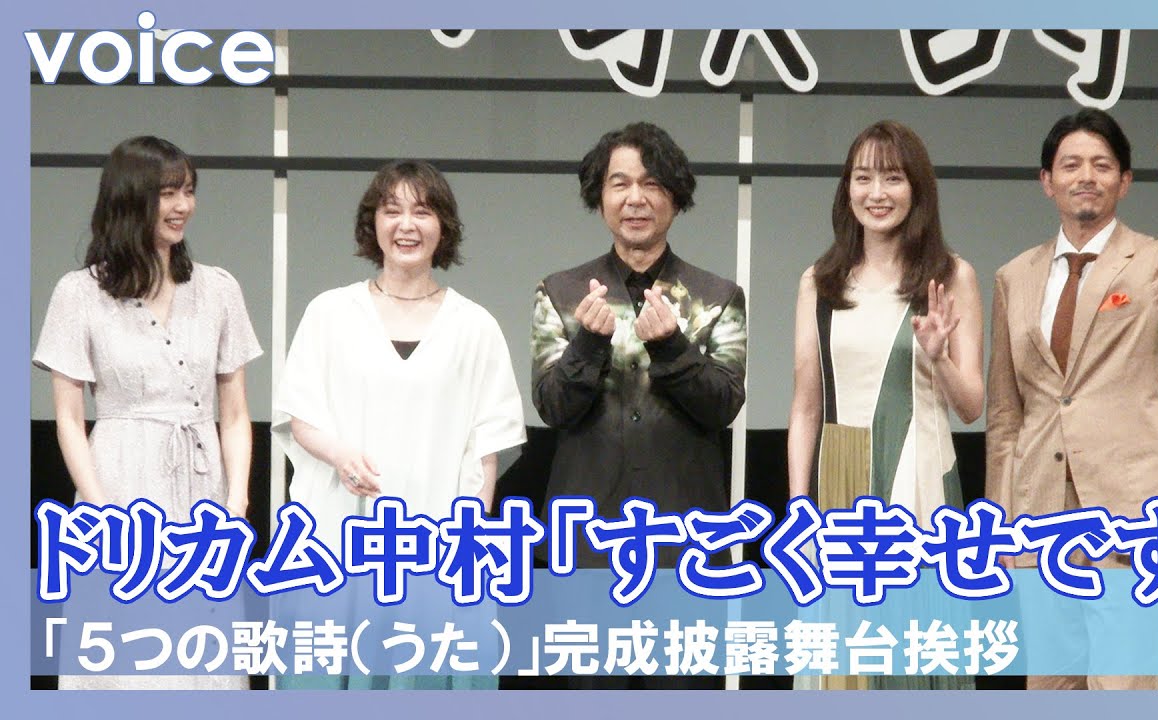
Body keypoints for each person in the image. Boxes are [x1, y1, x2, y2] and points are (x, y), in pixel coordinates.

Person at [985, 109, 1158, 689]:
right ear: (1046, 181)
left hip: (1128, 512)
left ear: (1124, 182)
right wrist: (999, 522)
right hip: (1039, 516)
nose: (1086, 176)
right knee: (1050, 689)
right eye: (1071, 165)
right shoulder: (1014, 276)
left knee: (1122, 688)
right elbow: (1005, 415)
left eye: (1102, 165)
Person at [273, 159, 525, 690]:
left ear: (443, 228)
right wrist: (340, 454)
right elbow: (301, 416)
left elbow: (489, 444)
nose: (406, 225)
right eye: (392, 211)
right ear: (373, 224)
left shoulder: (474, 326)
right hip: (342, 533)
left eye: (423, 212)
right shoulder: (330, 313)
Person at [33, 136, 262, 690]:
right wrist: (99, 509)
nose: (183, 205)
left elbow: (234, 413)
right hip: (120, 484)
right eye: (168, 193)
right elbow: (69, 419)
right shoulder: (78, 294)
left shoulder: (219, 288)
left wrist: (236, 502)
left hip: (204, 491)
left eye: (189, 191)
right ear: (130, 197)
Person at [531, 121, 747, 690]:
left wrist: (673, 346)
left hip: (685, 544)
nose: (635, 198)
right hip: (587, 541)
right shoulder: (561, 292)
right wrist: (587, 344)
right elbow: (552, 406)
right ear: (599, 196)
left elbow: (723, 404)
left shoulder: (717, 296)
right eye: (619, 183)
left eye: (652, 184)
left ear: (675, 197)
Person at [787, 120, 983, 690]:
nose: (877, 193)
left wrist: (939, 357)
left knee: (914, 648)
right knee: (841, 663)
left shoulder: (951, 276)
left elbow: (971, 405)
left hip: (918, 470)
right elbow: (805, 406)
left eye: (893, 178)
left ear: (916, 188)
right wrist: (799, 505)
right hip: (838, 475)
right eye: (863, 177)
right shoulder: (819, 281)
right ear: (846, 189)